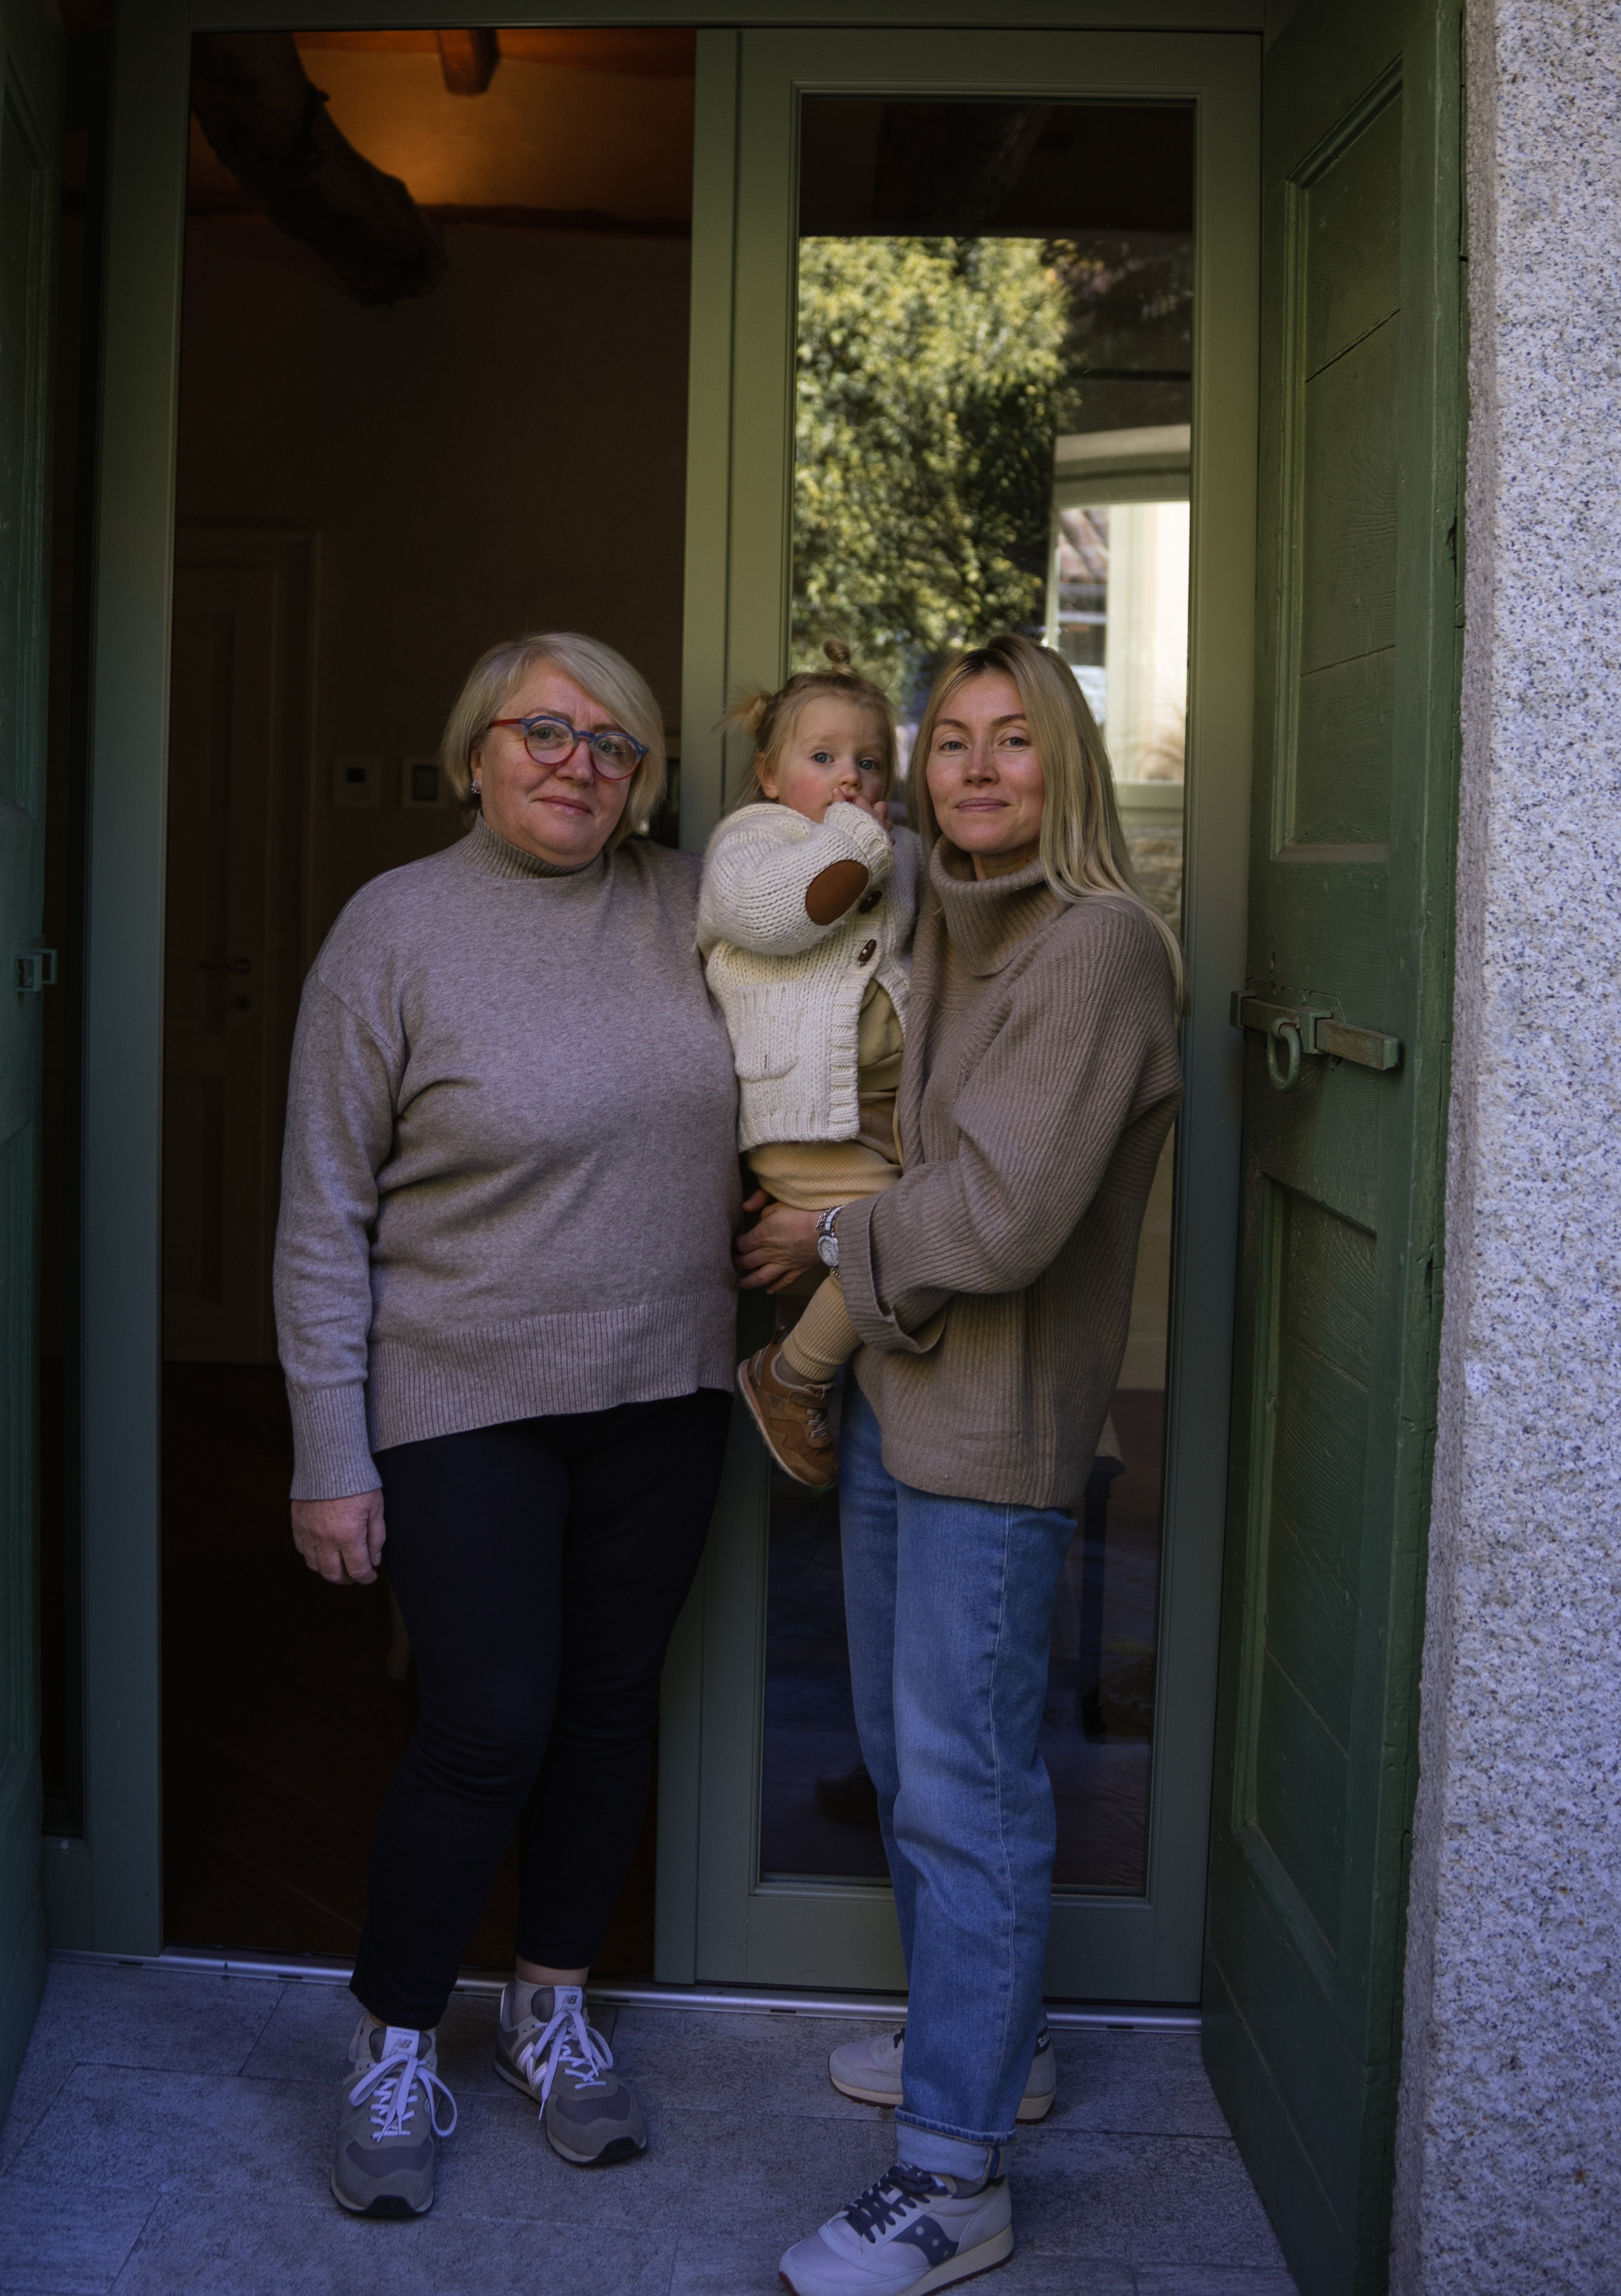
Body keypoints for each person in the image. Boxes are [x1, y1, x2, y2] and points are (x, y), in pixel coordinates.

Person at [273, 631, 740, 2223]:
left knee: (609, 1712)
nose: (576, 762)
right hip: (461, 1397)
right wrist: (327, 1452)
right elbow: (321, 1214)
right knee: (487, 1725)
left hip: (665, 1389)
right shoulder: (391, 930)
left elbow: (852, 946)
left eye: (614, 744)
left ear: (645, 780)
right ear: (474, 751)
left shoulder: (695, 908)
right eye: (542, 731)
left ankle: (550, 2012)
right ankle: (394, 2037)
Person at [744, 633, 1184, 2296]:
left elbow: (995, 1216)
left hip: (990, 1433)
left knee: (966, 1797)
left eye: (1014, 742)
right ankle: (998, 2049)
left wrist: (830, 1234)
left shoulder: (1098, 950)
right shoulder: (950, 912)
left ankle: (951, 2177)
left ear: (1063, 766)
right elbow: (799, 875)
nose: (975, 770)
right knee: (905, 1753)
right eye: (951, 747)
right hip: (894, 1397)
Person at [695, 642, 922, 1490]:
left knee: (920, 1232)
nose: (847, 778)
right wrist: (860, 839)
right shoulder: (752, 845)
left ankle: (815, 1365)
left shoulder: (893, 850)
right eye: (821, 758)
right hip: (800, 1114)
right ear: (766, 773)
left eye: (868, 761)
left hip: (885, 1106)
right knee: (905, 1241)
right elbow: (788, 911)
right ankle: (791, 1378)